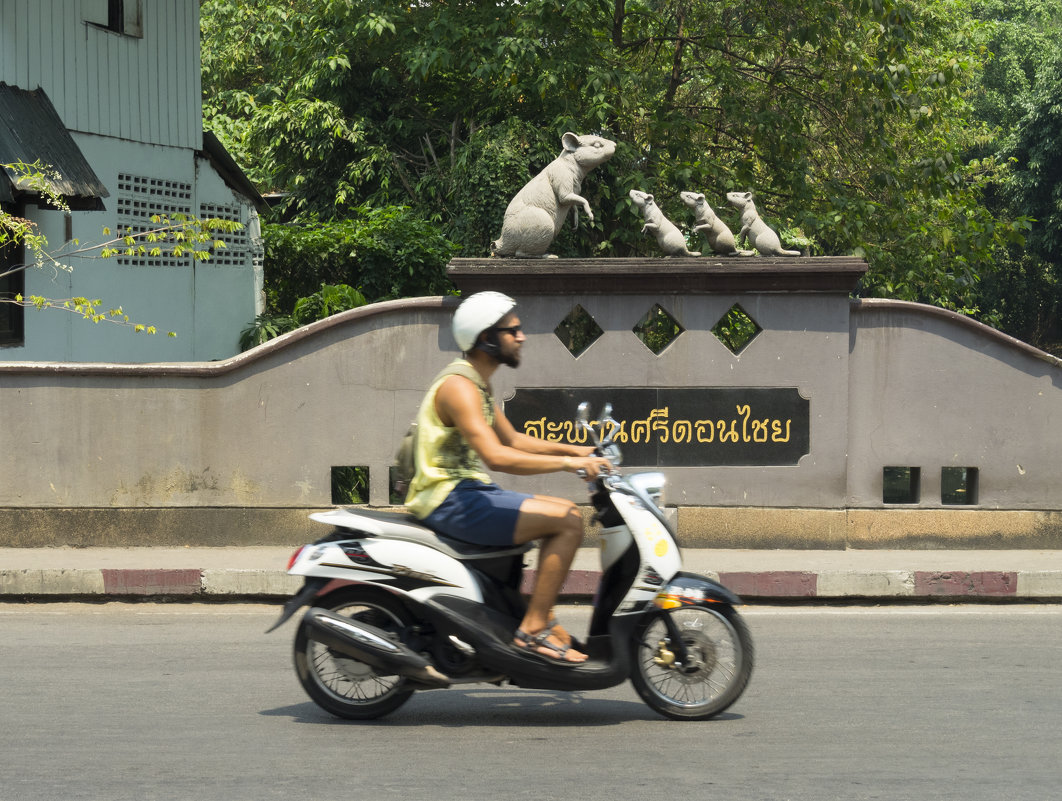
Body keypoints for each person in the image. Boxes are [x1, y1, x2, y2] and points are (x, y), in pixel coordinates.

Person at [405, 291, 612, 665]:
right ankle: (532, 629)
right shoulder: (459, 389)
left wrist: (577, 451)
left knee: (563, 513)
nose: (522, 337)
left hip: (466, 492)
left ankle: (535, 615)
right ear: (486, 338)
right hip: (447, 499)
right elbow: (497, 456)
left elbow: (514, 439)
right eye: (512, 331)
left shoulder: (478, 384)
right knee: (567, 522)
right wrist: (570, 466)